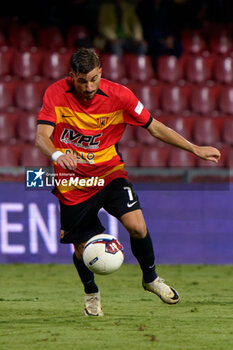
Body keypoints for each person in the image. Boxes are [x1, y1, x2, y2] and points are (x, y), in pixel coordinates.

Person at [36, 48, 220, 317]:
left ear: (101, 73)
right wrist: (57, 154)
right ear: (71, 76)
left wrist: (194, 148)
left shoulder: (120, 96)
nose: (88, 87)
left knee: (137, 226)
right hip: (72, 180)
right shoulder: (55, 93)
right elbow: (41, 136)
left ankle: (151, 279)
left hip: (110, 172)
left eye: (94, 79)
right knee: (80, 248)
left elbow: (155, 126)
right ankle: (91, 292)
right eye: (82, 80)